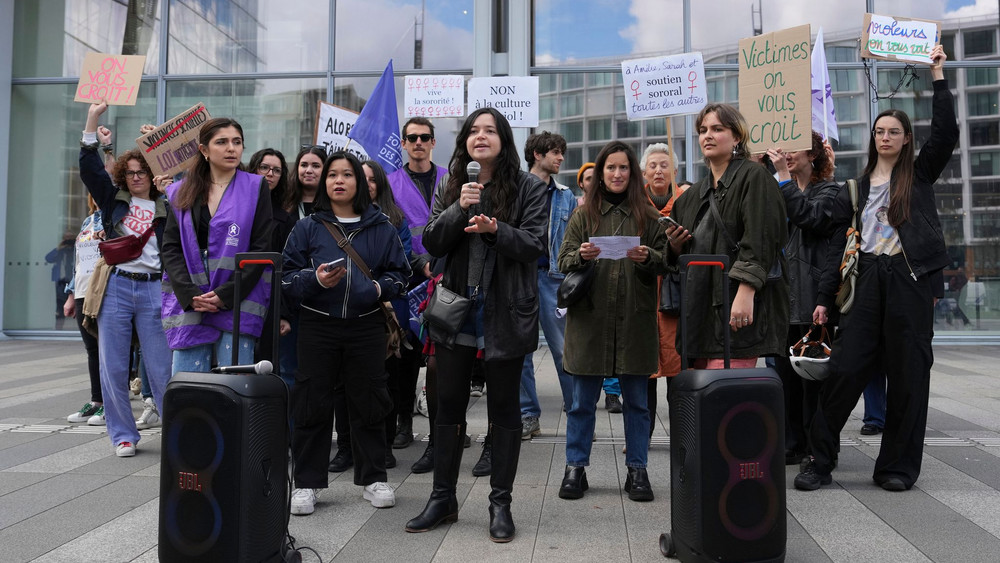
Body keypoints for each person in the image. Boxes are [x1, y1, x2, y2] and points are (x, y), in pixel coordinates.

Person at [795, 46, 958, 492]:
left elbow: (945, 135)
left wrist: (938, 75)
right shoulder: (857, 187)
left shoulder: (919, 176)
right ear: (873, 138)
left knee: (909, 375)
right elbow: (836, 247)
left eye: (894, 131)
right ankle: (819, 461)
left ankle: (897, 468)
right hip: (866, 280)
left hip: (909, 281)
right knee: (845, 370)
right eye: (879, 131)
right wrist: (826, 300)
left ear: (906, 139)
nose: (885, 137)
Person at [404, 108, 547, 543]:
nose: (480, 136)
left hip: (505, 312)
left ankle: (499, 504)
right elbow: (430, 240)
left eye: (490, 130)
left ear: (503, 140)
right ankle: (442, 498)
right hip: (457, 310)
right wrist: (459, 210)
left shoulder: (528, 187)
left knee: (504, 408)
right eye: (473, 131)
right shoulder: (453, 185)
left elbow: (535, 245)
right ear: (464, 141)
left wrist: (494, 229)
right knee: (447, 404)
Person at [283, 151, 410, 515]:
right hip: (318, 325)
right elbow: (287, 278)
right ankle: (306, 482)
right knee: (311, 403)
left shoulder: (381, 227)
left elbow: (401, 275)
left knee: (369, 400)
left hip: (366, 325)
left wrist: (378, 289)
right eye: (332, 175)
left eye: (347, 175)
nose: (339, 180)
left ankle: (373, 477)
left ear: (359, 182)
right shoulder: (308, 227)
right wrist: (315, 279)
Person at [557, 141, 667, 502]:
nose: (617, 174)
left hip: (634, 322)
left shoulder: (648, 216)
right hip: (590, 322)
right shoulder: (583, 215)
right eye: (610, 168)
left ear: (632, 174)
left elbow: (667, 262)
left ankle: (638, 470)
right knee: (581, 403)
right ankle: (576, 467)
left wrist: (648, 256)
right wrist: (581, 254)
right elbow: (562, 260)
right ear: (600, 174)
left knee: (637, 403)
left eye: (623, 168)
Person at [80, 101, 173, 458]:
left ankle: (174, 429)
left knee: (162, 367)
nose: (136, 177)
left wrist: (159, 147)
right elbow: (89, 167)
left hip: (154, 289)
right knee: (113, 366)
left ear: (152, 174)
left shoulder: (169, 204)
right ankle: (123, 434)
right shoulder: (114, 201)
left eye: (142, 171)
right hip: (117, 286)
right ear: (123, 176)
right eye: (131, 172)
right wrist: (93, 119)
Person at [665, 103, 789, 369]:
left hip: (735, 308)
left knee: (726, 399)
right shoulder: (690, 197)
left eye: (717, 129)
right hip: (697, 313)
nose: (707, 135)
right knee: (700, 400)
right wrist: (674, 246)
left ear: (737, 137)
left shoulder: (755, 178)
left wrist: (746, 292)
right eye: (702, 130)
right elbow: (676, 257)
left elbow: (762, 239)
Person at [160, 118, 273, 374]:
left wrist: (226, 294)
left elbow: (261, 246)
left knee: (234, 386)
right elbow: (171, 248)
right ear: (204, 150)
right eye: (221, 142)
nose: (231, 148)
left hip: (237, 299)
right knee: (189, 387)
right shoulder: (180, 191)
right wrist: (189, 294)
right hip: (192, 302)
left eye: (237, 142)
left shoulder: (256, 187)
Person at [329, 159, 414, 472]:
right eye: (357, 177)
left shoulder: (394, 220)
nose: (365, 184)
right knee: (342, 383)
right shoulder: (333, 220)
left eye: (370, 179)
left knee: (382, 382)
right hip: (342, 310)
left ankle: (383, 446)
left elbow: (401, 265)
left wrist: (379, 288)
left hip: (383, 310)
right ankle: (347, 448)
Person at [765, 131, 840, 465]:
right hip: (781, 297)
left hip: (812, 298)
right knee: (783, 378)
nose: (787, 153)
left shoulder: (830, 192)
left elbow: (810, 217)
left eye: (795, 147)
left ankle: (816, 445)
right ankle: (791, 442)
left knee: (813, 380)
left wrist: (783, 178)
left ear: (813, 155)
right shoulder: (777, 189)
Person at [387, 118, 448, 467]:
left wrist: (438, 263)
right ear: (404, 144)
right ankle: (404, 422)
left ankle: (448, 424)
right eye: (412, 138)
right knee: (406, 354)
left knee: (444, 352)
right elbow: (391, 229)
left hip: (446, 275)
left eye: (425, 138)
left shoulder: (449, 178)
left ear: (433, 142)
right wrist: (418, 263)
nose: (419, 143)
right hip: (409, 276)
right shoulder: (392, 182)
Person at [519, 131, 574, 441]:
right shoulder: (514, 189)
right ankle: (528, 416)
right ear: (537, 155)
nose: (560, 158)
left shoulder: (565, 195)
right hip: (518, 279)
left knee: (563, 349)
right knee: (521, 351)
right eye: (555, 152)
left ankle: (577, 413)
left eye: (561, 152)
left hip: (552, 279)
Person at [640, 143, 689, 439]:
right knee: (642, 374)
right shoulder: (634, 204)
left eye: (665, 164)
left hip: (676, 301)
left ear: (675, 170)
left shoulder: (688, 203)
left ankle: (682, 434)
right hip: (644, 298)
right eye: (653, 165)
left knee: (677, 371)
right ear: (644, 171)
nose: (659, 170)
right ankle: (640, 435)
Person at [576, 162, 623, 412]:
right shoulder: (577, 211)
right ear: (581, 183)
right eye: (587, 178)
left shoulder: (618, 211)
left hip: (613, 282)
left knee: (613, 341)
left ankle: (612, 393)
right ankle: (582, 395)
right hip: (586, 285)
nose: (592, 182)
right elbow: (565, 253)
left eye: (596, 177)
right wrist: (579, 255)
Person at [247, 148, 293, 369]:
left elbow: (285, 268)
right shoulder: (235, 207)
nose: (270, 174)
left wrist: (282, 313)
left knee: (264, 364)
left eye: (276, 170)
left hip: (268, 300)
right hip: (233, 294)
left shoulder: (284, 219)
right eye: (264, 167)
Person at [64, 195, 105, 425]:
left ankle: (110, 404)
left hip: (102, 291)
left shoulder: (114, 220)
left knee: (107, 349)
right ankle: (97, 401)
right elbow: (77, 261)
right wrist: (70, 295)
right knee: (92, 349)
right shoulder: (88, 221)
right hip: (81, 291)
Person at [45, 232, 75, 330]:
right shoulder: (60, 250)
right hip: (61, 281)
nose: (69, 240)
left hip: (73, 281)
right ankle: (58, 329)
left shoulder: (76, 248)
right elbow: (48, 258)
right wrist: (59, 247)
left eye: (71, 238)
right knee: (60, 305)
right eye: (67, 238)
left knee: (76, 304)